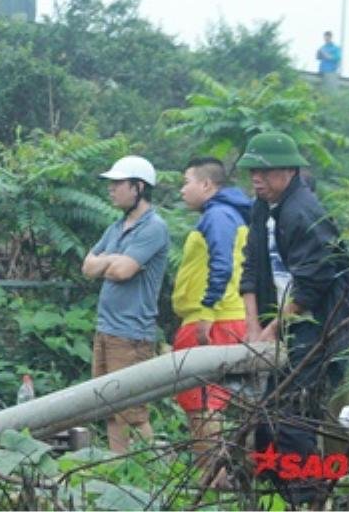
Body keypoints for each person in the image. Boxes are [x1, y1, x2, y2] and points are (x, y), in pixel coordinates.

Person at [237, 132, 349, 505]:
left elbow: (311, 287)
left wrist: (272, 330)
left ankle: (310, 498)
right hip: (285, 320)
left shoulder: (304, 212)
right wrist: (254, 328)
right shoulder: (261, 206)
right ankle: (280, 493)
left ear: (288, 171)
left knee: (291, 416)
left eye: (265, 172)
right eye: (253, 171)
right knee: (269, 419)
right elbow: (251, 265)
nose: (257, 179)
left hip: (322, 324)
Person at [82, 155, 170, 454]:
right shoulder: (116, 227)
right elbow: (87, 267)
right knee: (109, 406)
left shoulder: (153, 227)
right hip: (106, 329)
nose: (111, 189)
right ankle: (117, 466)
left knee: (131, 411)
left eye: (118, 183)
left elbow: (122, 272)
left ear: (138, 187)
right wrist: (113, 260)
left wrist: (109, 263)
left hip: (131, 333)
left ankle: (157, 470)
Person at [172, 157, 252, 467]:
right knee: (209, 401)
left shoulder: (218, 216)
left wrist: (206, 310)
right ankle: (220, 477)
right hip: (221, 315)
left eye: (186, 182)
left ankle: (211, 481)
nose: (182, 190)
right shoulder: (229, 214)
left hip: (213, 318)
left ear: (206, 185)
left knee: (203, 403)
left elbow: (222, 264)